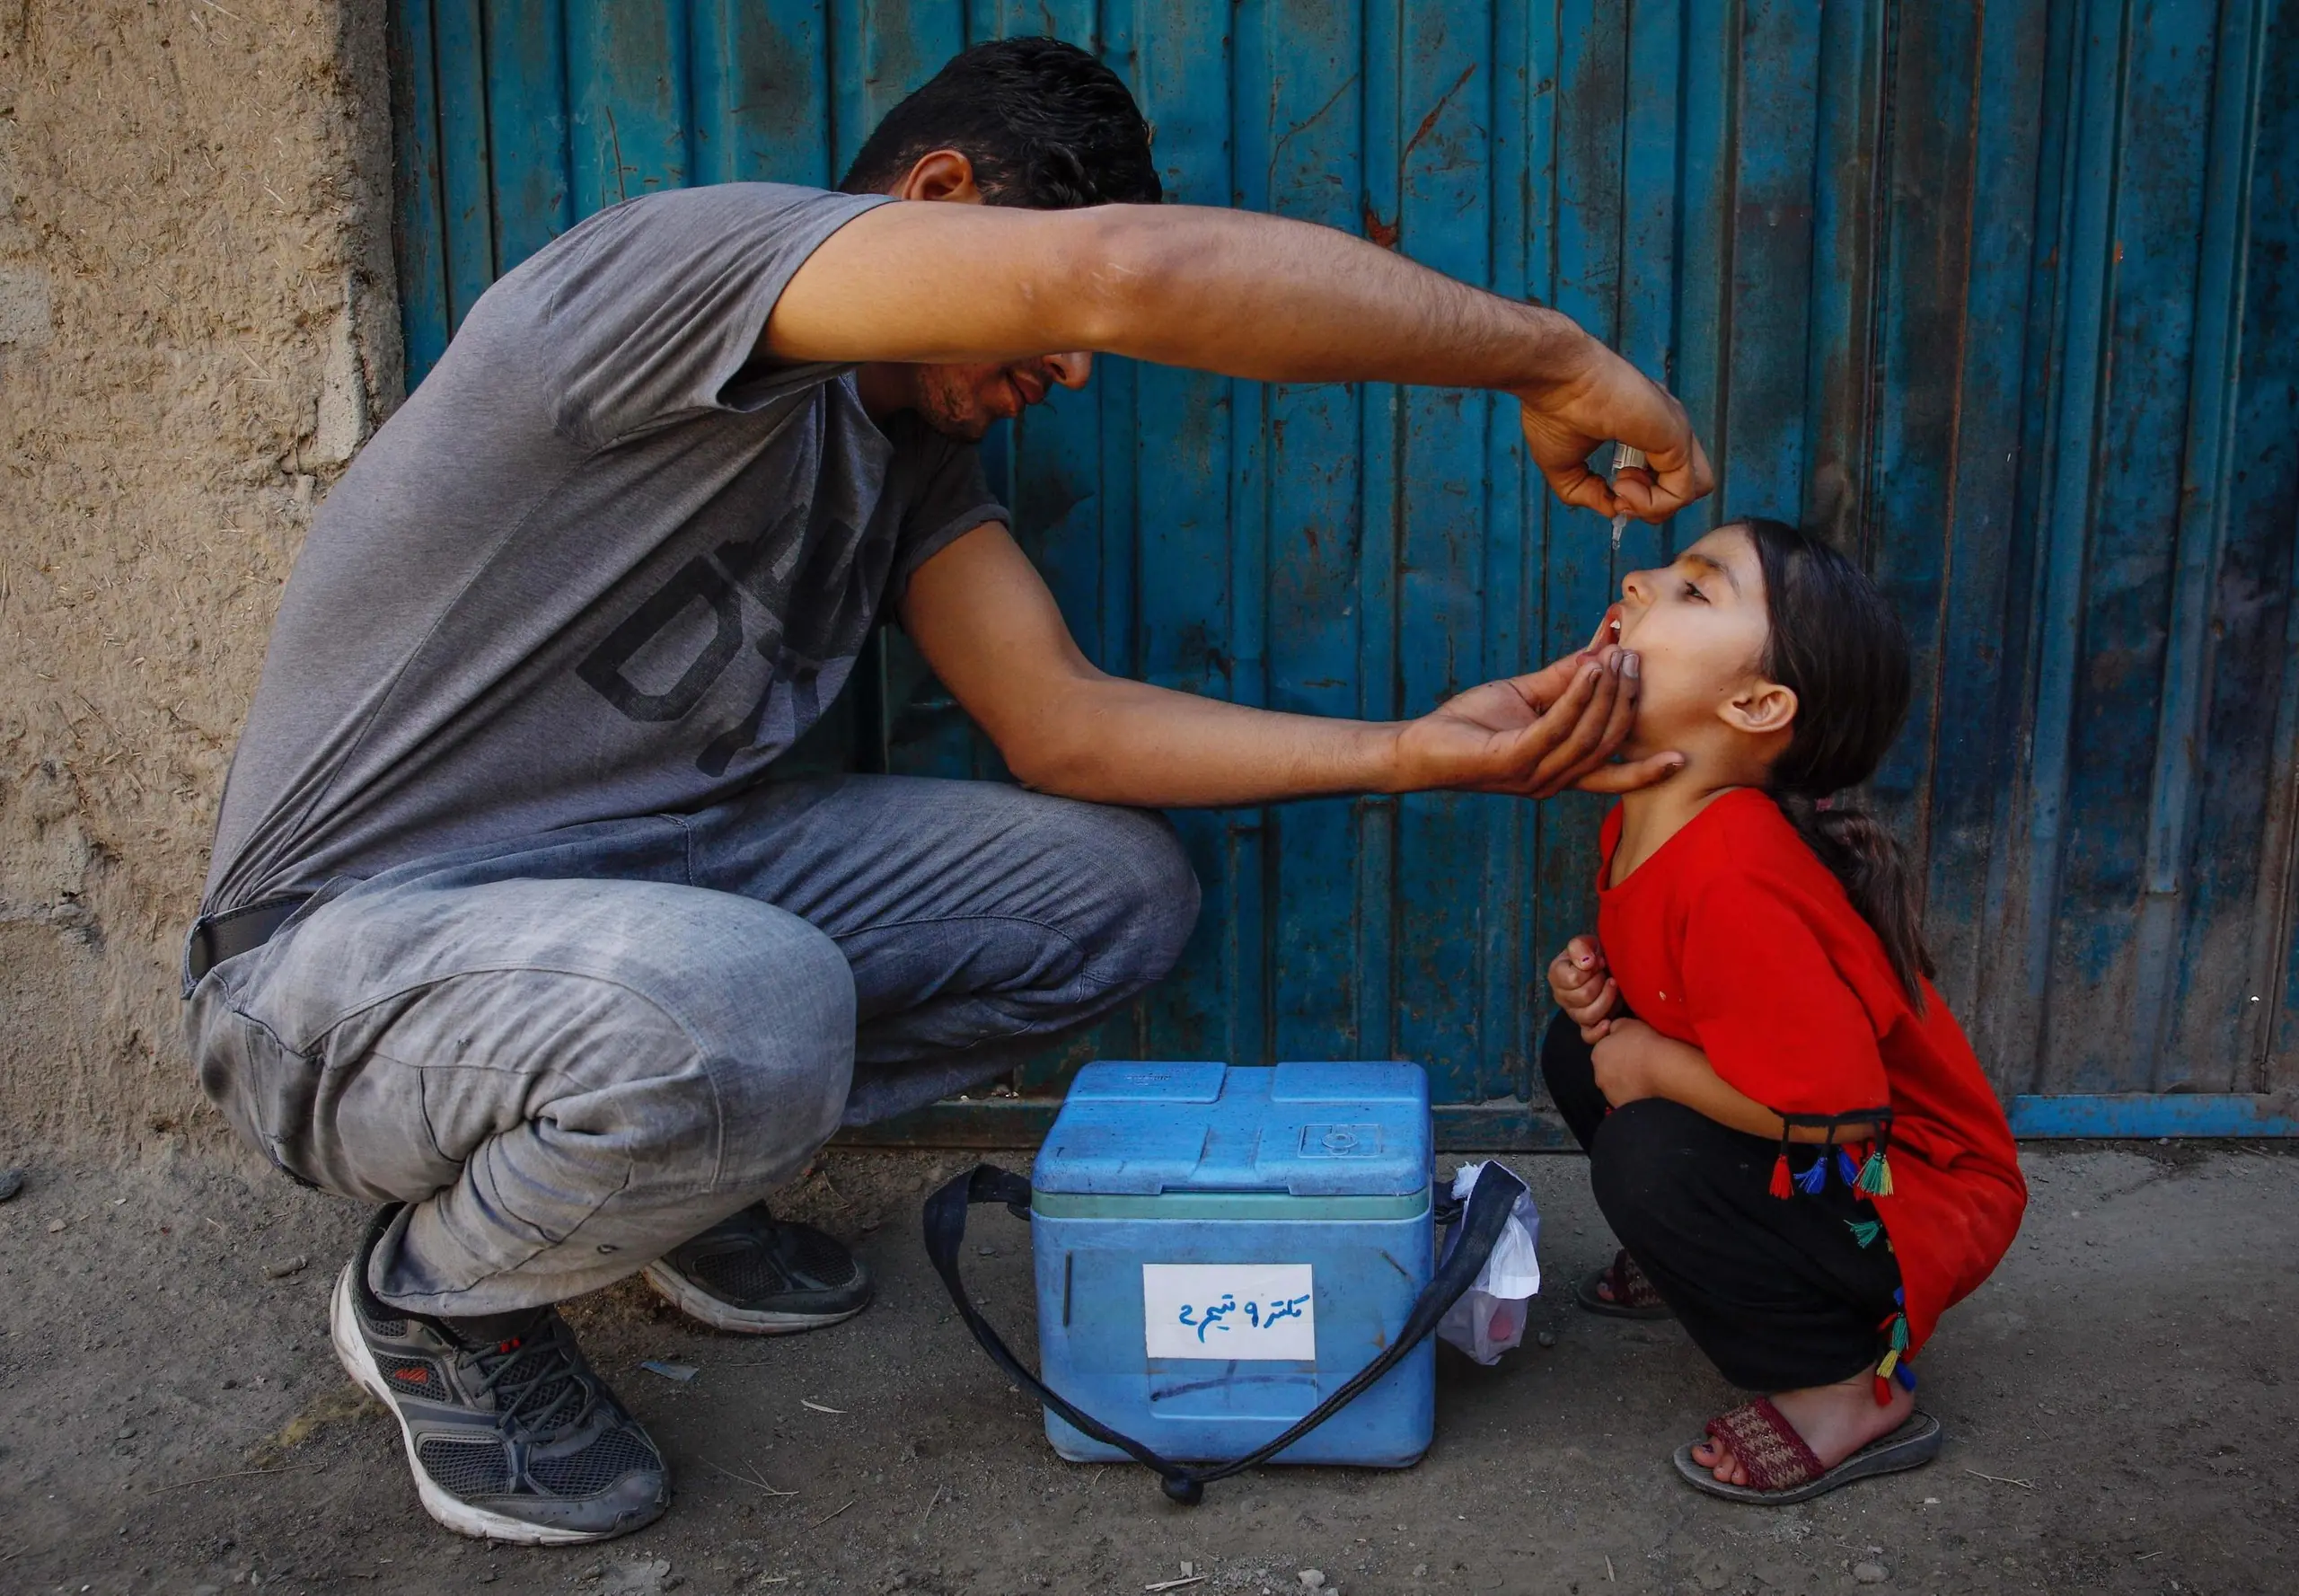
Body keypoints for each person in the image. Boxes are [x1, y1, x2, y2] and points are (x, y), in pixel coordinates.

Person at [185, 38, 1713, 1543]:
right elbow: (1119, 274)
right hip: (336, 965)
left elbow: (1065, 726)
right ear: (940, 195)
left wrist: (1419, 746)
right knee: (747, 1003)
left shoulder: (899, 447)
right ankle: (441, 1301)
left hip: (645, 906)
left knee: (1112, 895)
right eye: (1034, 317)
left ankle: (659, 1170)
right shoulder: (674, 272)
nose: (1068, 370)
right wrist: (1549, 354)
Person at [1542, 517, 2027, 1504]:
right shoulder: (1650, 811)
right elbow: (1695, 1001)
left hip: (1911, 1187)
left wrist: (1651, 1067)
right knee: (1576, 1046)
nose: (1636, 580)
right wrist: (1603, 1000)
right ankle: (1713, 1259)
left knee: (1647, 1149)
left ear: (1757, 703)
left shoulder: (1736, 874)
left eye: (1692, 589)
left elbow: (1843, 1117)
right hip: (1825, 1143)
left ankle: (1852, 1386)